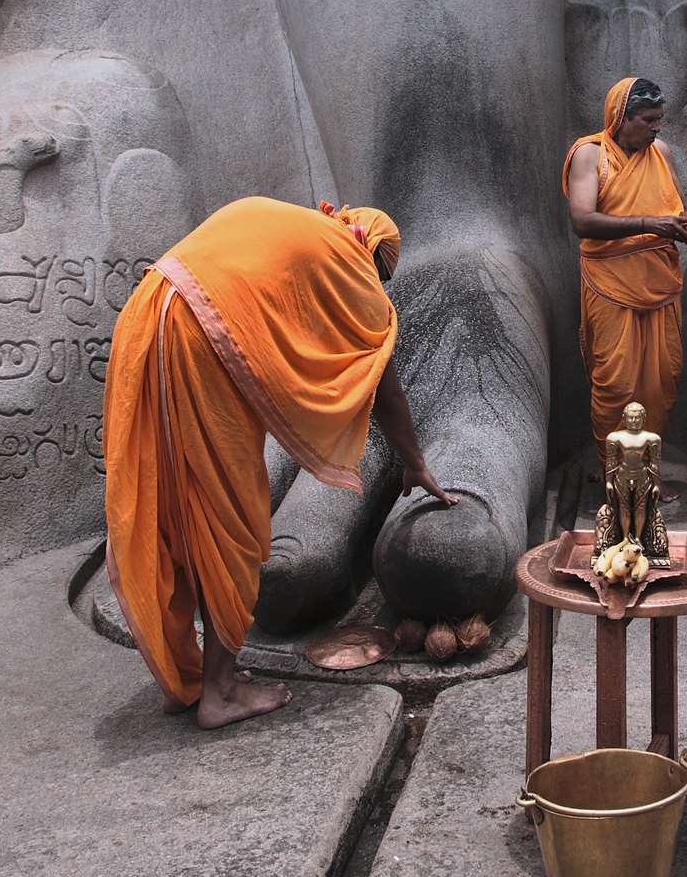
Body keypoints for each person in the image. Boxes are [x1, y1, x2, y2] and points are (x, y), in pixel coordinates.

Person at [102, 196, 453, 728]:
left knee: (171, 508)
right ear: (377, 259)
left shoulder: (299, 230)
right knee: (234, 522)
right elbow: (384, 384)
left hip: (145, 318)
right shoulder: (351, 261)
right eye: (382, 278)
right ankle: (219, 692)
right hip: (197, 338)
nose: (376, 290)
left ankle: (185, 680)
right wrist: (415, 462)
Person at [562, 78, 687, 472]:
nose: (656, 127)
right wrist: (652, 224)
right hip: (611, 286)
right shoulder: (590, 155)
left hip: (660, 285)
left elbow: (676, 214)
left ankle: (646, 479)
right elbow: (582, 220)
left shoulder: (661, 152)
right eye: (648, 120)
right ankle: (615, 479)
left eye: (659, 119)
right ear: (621, 118)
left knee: (660, 385)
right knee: (616, 386)